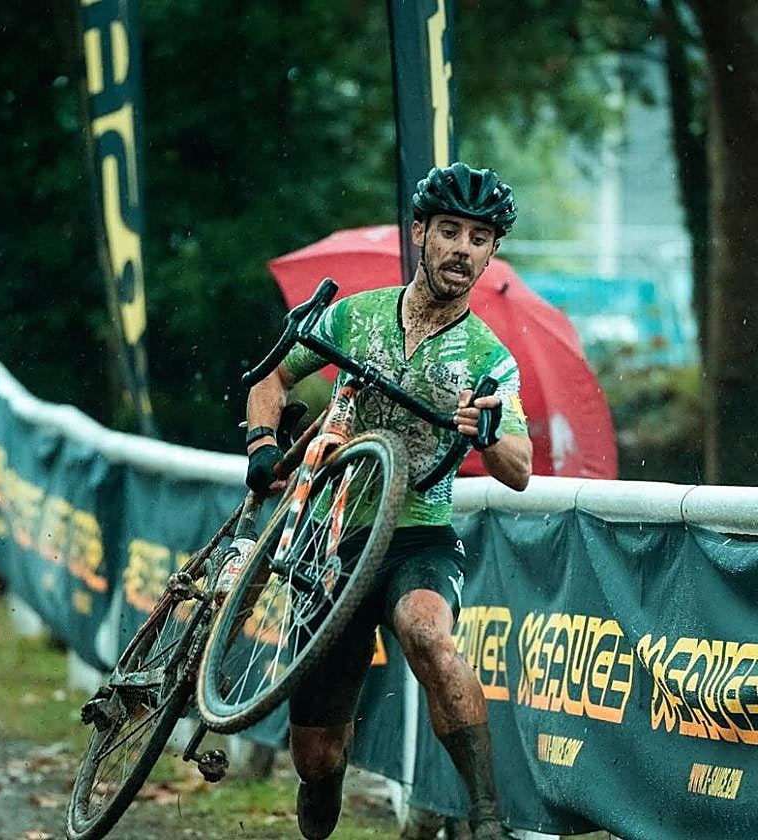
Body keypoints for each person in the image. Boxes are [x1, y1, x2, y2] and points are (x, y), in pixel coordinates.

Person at [243, 162, 532, 840]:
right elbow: (270, 379)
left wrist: (488, 433)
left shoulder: (488, 358)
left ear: (492, 252)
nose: (463, 249)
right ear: (422, 233)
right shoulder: (357, 316)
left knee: (429, 634)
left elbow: (518, 469)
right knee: (319, 761)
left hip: (419, 536)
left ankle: (489, 817)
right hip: (336, 535)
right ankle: (320, 805)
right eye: (451, 232)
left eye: (480, 238)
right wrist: (261, 444)